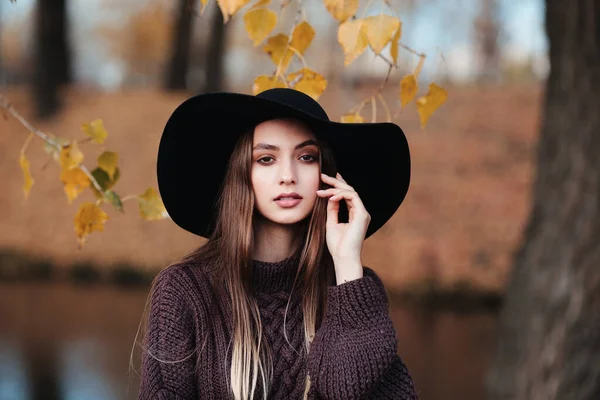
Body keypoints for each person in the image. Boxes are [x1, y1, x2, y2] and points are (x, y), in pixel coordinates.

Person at [135, 87, 418, 399]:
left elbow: (349, 389)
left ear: (327, 176)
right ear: (242, 173)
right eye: (266, 158)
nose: (288, 175)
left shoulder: (353, 291)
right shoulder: (185, 290)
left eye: (306, 157)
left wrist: (348, 264)